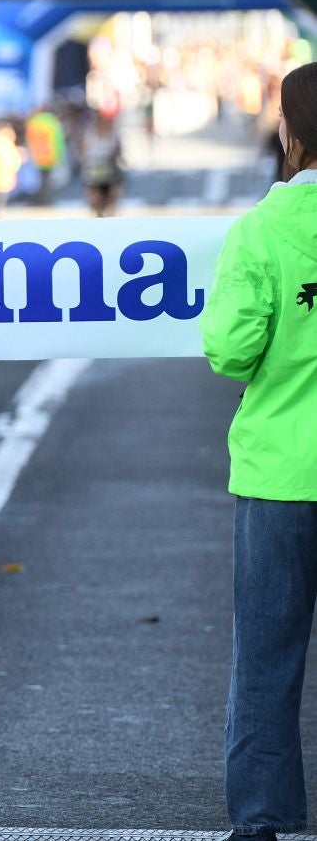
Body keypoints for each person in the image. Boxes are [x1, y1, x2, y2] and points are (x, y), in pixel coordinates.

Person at [200, 59, 317, 841]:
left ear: (290, 134)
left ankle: (263, 820)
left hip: (281, 474)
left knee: (268, 661)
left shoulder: (261, 230)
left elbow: (232, 350)